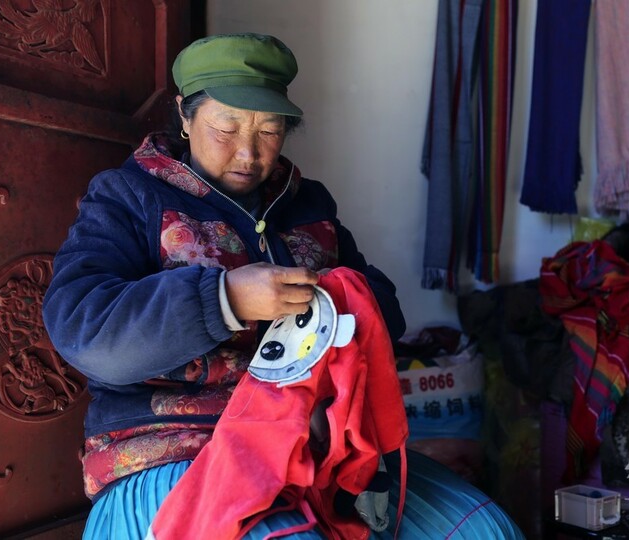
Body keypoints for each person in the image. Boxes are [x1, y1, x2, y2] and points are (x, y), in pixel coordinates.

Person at [42, 33, 522, 539]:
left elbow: (382, 310)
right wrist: (225, 299)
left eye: (270, 131)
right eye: (226, 127)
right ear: (184, 115)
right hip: (179, 443)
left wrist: (328, 308)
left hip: (314, 443)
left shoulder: (306, 202)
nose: (248, 153)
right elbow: (83, 327)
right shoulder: (129, 195)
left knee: (488, 531)